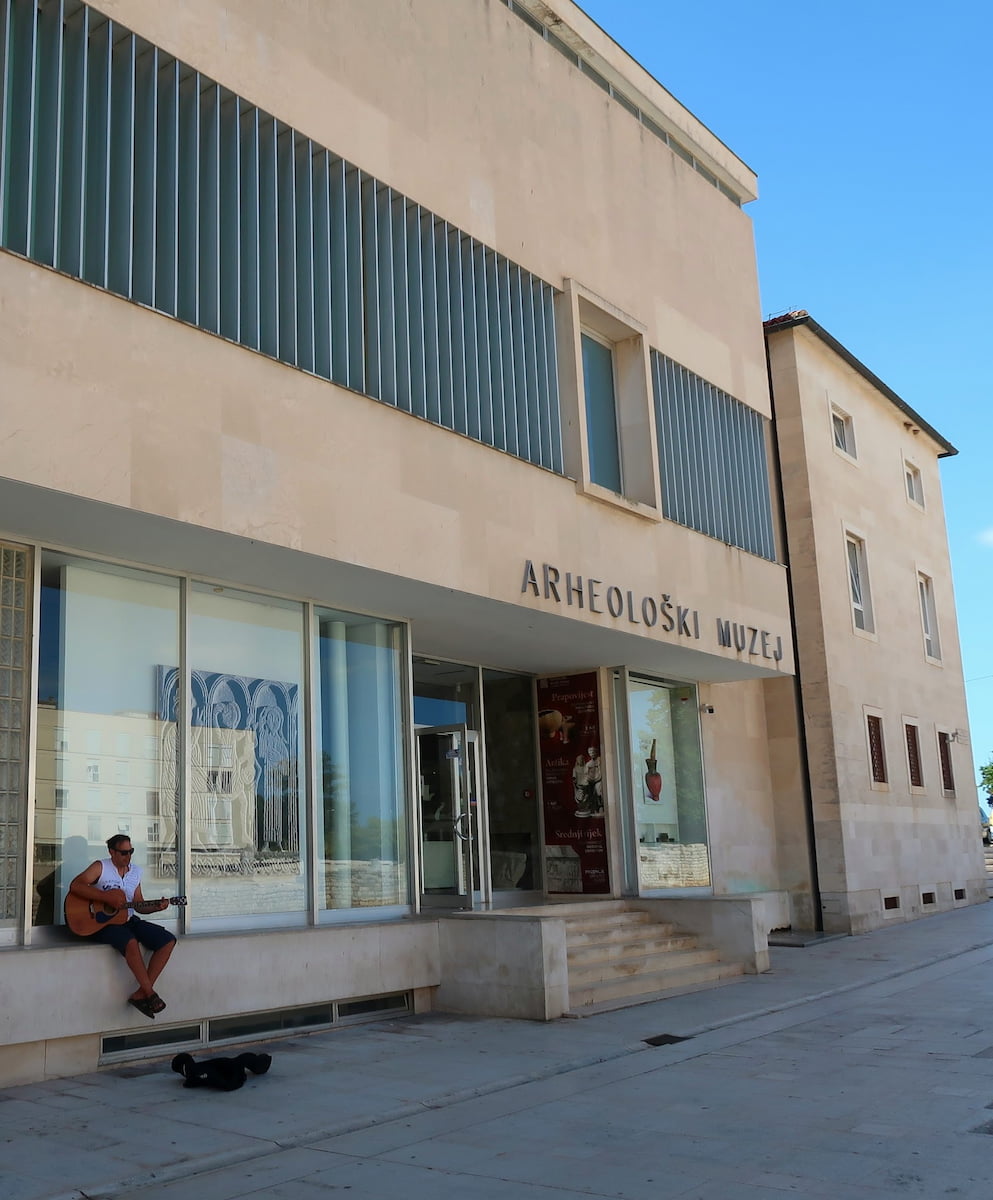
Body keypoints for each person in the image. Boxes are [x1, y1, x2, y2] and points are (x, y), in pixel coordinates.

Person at [69, 834, 176, 1019]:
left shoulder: (135, 872)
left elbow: (138, 904)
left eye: (131, 851)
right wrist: (106, 897)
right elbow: (76, 885)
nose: (128, 856)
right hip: (102, 923)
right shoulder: (100, 867)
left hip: (128, 919)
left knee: (167, 940)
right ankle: (150, 994)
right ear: (112, 852)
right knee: (130, 942)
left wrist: (156, 907)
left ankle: (141, 993)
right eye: (124, 852)